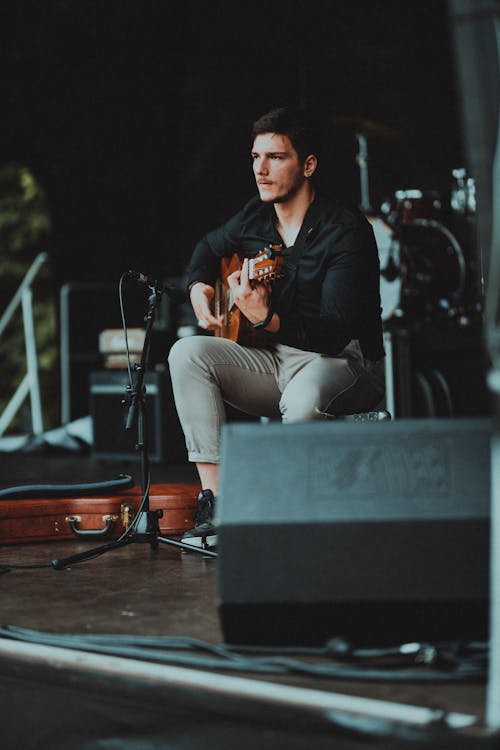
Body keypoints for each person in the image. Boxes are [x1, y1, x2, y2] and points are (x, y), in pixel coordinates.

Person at [168, 106, 385, 547]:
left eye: (276, 157)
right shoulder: (253, 217)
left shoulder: (346, 230)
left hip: (343, 361)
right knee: (186, 354)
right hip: (273, 362)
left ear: (308, 165)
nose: (260, 170)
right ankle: (220, 506)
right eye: (254, 157)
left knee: (303, 400)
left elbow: (333, 332)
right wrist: (197, 287)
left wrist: (265, 317)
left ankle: (289, 517)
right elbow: (207, 249)